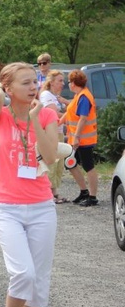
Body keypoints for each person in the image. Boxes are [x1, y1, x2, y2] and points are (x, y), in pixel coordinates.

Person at [0, 62, 59, 307]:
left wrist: (35, 118)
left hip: (41, 206)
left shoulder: (48, 113)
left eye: (34, 81)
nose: (32, 87)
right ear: (9, 88)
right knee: (23, 273)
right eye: (25, 83)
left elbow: (51, 156)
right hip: (5, 206)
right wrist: (1, 89)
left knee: (38, 280)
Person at [63, 69, 99, 207]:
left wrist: (77, 136)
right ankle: (84, 191)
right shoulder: (80, 95)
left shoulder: (84, 97)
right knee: (70, 163)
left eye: (69, 82)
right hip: (78, 139)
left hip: (83, 139)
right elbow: (71, 114)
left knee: (88, 166)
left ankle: (93, 197)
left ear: (74, 83)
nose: (68, 84)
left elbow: (83, 119)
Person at [38, 70, 69, 203]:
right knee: (51, 162)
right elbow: (53, 113)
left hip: (59, 131)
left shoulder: (56, 96)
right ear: (51, 82)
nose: (63, 83)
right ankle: (48, 193)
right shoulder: (46, 95)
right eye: (60, 81)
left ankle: (54, 192)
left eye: (63, 81)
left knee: (59, 163)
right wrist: (72, 116)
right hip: (51, 133)